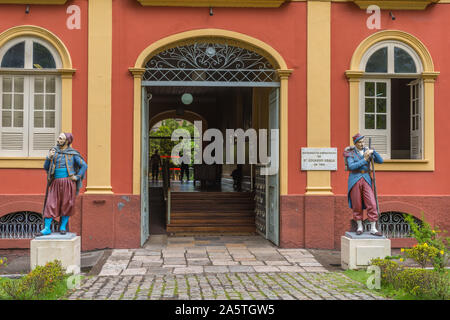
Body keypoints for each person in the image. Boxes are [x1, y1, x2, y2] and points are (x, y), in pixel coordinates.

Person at [36, 133, 87, 236]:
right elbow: (46, 167)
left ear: (66, 141)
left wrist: (76, 177)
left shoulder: (72, 154)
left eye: (61, 138)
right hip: (55, 182)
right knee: (50, 204)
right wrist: (48, 158)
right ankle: (47, 228)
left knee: (66, 204)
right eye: (59, 138)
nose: (58, 140)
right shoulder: (54, 152)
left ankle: (62, 227)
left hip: (68, 183)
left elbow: (84, 166)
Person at [344, 133, 383, 236]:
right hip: (355, 179)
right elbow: (352, 166)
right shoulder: (350, 153)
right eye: (359, 142)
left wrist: (373, 151)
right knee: (357, 204)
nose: (362, 144)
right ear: (355, 143)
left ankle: (373, 228)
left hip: (366, 178)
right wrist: (364, 160)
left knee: (372, 202)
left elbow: (380, 161)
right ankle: (360, 226)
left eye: (363, 142)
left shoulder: (367, 151)